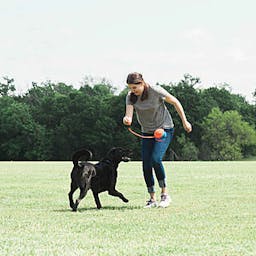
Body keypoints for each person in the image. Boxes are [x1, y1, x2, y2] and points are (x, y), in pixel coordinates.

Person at [123, 72, 192, 208]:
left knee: (156, 159)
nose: (133, 90)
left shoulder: (156, 91)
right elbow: (129, 115)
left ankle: (165, 195)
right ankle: (152, 199)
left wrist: (185, 122)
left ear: (142, 83)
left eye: (135, 87)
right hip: (147, 132)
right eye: (130, 88)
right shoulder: (130, 97)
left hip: (164, 129)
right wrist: (127, 120)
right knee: (146, 164)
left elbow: (175, 102)